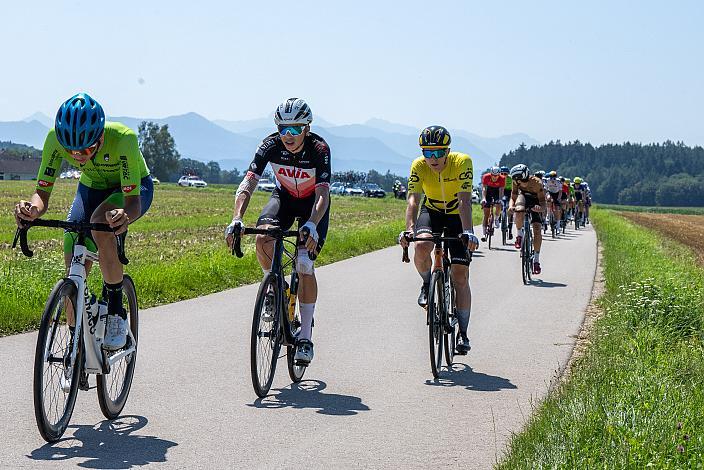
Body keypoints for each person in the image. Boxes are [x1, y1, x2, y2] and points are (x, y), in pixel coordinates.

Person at [14, 93, 154, 354]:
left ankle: (115, 310)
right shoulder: (54, 140)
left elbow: (133, 202)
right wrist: (31, 210)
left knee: (101, 224)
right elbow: (41, 195)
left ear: (100, 137)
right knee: (72, 244)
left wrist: (125, 217)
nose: (79, 157)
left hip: (131, 191)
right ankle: (76, 341)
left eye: (87, 150)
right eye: (71, 152)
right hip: (91, 187)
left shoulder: (123, 139)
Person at [225, 98, 330, 365]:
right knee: (262, 237)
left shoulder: (319, 148)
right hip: (283, 197)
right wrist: (237, 217)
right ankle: (274, 288)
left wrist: (312, 224)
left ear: (307, 127)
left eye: (295, 129)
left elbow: (322, 194)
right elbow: (248, 182)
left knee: (305, 263)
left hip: (312, 205)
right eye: (283, 128)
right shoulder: (270, 145)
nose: (288, 135)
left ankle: (305, 337)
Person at [398, 126, 479, 353]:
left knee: (460, 276)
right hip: (432, 211)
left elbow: (464, 201)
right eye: (427, 152)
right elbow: (413, 199)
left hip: (456, 215)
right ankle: (427, 282)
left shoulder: (462, 162)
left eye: (438, 153)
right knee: (422, 245)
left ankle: (463, 334)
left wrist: (468, 231)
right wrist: (410, 229)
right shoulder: (419, 165)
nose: (432, 158)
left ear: (448, 150)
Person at [508, 164, 546, 274]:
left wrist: (540, 209)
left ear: (523, 177)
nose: (516, 182)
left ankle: (536, 261)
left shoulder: (537, 183)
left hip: (536, 202)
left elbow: (543, 203)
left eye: (518, 180)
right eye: (515, 180)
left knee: (537, 229)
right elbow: (513, 196)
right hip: (523, 198)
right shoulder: (516, 182)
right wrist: (511, 206)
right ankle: (519, 235)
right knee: (519, 209)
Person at [480, 166, 505, 242]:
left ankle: (497, 218)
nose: (494, 177)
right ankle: (484, 234)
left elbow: (501, 190)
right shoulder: (486, 177)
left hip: (497, 192)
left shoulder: (502, 178)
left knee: (498, 204)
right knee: (486, 214)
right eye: (493, 175)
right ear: (490, 174)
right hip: (488, 192)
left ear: (499, 174)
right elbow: (484, 188)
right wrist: (483, 198)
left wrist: (500, 199)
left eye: (496, 175)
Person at [500, 166, 514, 239]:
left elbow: (513, 189)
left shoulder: (511, 178)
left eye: (505, 174)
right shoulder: (499, 178)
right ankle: (500, 215)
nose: (503, 175)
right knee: (499, 203)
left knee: (510, 211)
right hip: (502, 192)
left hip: (509, 192)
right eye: (502, 173)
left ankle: (510, 231)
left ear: (508, 174)